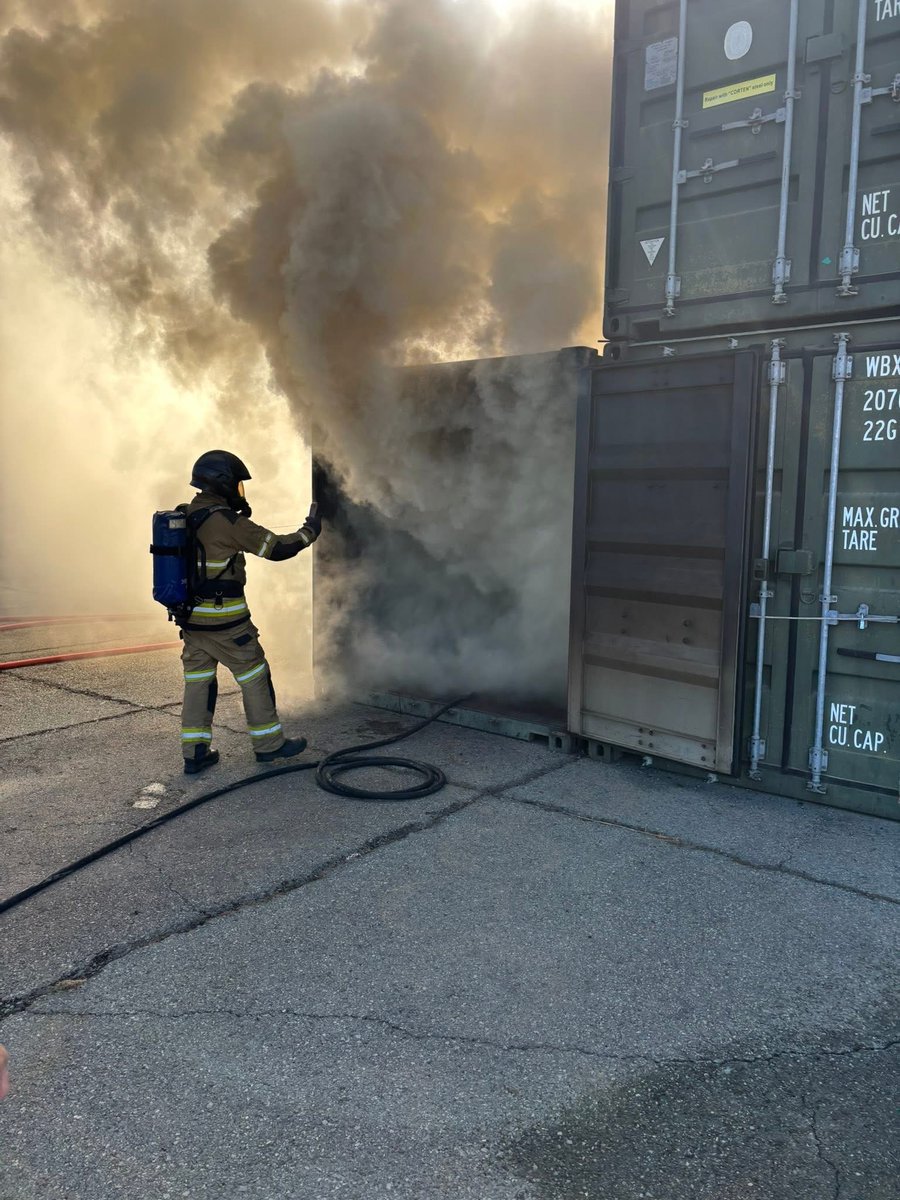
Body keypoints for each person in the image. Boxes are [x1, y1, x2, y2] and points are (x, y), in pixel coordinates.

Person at [176, 450, 321, 775]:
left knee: (199, 683)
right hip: (227, 625)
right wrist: (309, 532)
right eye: (237, 484)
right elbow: (277, 548)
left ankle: (195, 752)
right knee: (255, 675)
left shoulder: (186, 514)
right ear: (224, 483)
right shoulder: (226, 521)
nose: (240, 490)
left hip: (193, 623)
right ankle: (269, 745)